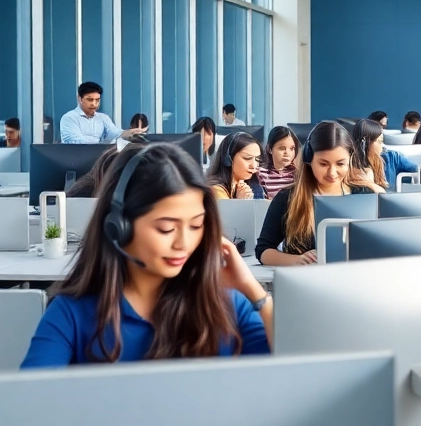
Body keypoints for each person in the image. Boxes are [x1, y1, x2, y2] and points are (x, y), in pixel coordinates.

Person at [20, 144, 271, 367]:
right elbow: (30, 406)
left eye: (196, 226)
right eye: (166, 228)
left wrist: (254, 292)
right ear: (119, 226)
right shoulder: (72, 313)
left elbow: (296, 373)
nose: (184, 243)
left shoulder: (225, 304)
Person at [255, 122, 374, 266]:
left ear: (350, 160)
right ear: (308, 159)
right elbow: (263, 251)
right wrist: (297, 260)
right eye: (323, 164)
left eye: (340, 164)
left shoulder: (364, 195)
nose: (332, 172)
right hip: (306, 281)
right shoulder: (288, 197)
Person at [60, 83, 146, 145]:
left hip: (100, 163)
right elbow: (77, 141)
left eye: (97, 100)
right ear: (79, 98)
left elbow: (114, 133)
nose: (94, 104)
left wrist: (129, 133)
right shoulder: (69, 118)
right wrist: (103, 141)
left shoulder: (103, 118)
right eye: (90, 100)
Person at [351, 118, 418, 191]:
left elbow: (419, 171)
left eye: (382, 140)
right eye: (379, 141)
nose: (382, 145)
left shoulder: (392, 157)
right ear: (365, 144)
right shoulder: (349, 167)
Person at [207, 132, 266, 200]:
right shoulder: (216, 192)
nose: (254, 165)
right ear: (228, 159)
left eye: (257, 159)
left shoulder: (252, 187)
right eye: (247, 158)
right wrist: (240, 202)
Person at [257, 126, 299, 200]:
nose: (288, 153)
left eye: (292, 148)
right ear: (270, 149)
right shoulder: (260, 174)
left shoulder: (298, 175)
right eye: (282, 148)